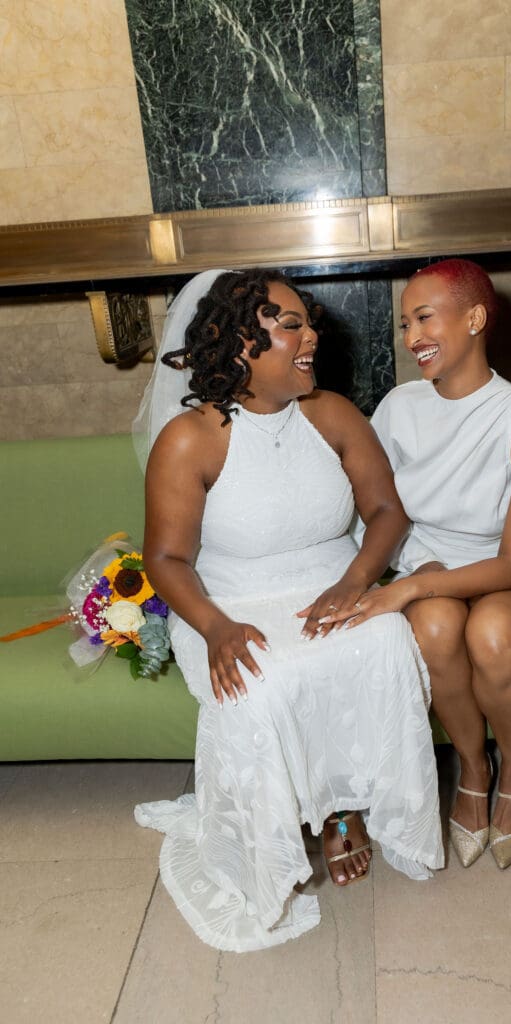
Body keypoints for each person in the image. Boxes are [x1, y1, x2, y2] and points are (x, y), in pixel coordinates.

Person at [132, 268, 443, 952]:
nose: (312, 335)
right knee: (260, 679)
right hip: (227, 601)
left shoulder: (330, 413)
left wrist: (357, 579)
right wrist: (213, 628)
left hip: (330, 579)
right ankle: (289, 825)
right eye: (291, 324)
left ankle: (344, 810)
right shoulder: (191, 440)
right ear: (239, 342)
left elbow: (386, 511)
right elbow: (167, 561)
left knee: (385, 638)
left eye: (309, 321)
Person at [322, 258, 511, 870]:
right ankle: (472, 772)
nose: (411, 338)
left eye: (424, 318)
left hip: (507, 574)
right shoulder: (400, 407)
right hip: (427, 566)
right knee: (433, 626)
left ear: (475, 318)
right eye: (405, 324)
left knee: (494, 632)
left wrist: (409, 589)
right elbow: (371, 506)